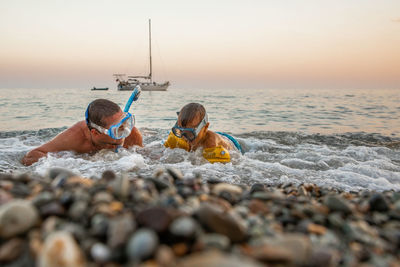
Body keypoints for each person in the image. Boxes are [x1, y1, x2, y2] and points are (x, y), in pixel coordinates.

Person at [22, 99, 143, 166]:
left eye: (126, 123)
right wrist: (67, 162)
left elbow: (144, 154)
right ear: (95, 133)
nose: (125, 132)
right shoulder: (74, 138)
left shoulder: (129, 131)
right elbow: (31, 156)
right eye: (117, 130)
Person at [164, 103, 242, 163]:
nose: (185, 137)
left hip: (230, 142)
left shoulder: (210, 143)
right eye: (180, 131)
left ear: (205, 127)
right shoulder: (179, 137)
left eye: (190, 133)